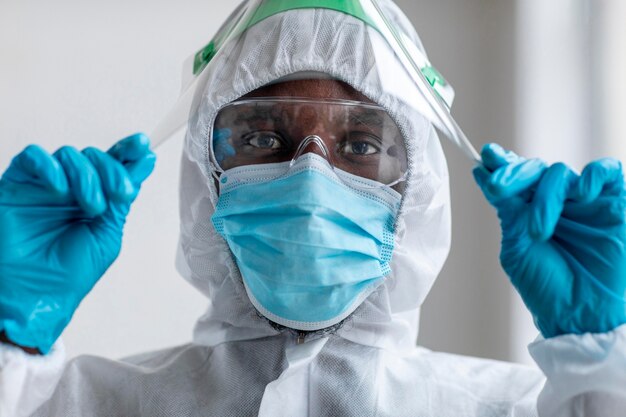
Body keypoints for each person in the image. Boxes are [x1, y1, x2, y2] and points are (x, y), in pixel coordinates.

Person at [1, 1, 625, 416]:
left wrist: (600, 359)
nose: (310, 178)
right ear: (207, 175)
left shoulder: (528, 407)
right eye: (263, 139)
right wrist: (7, 338)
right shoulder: (75, 404)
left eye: (359, 144)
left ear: (419, 185)